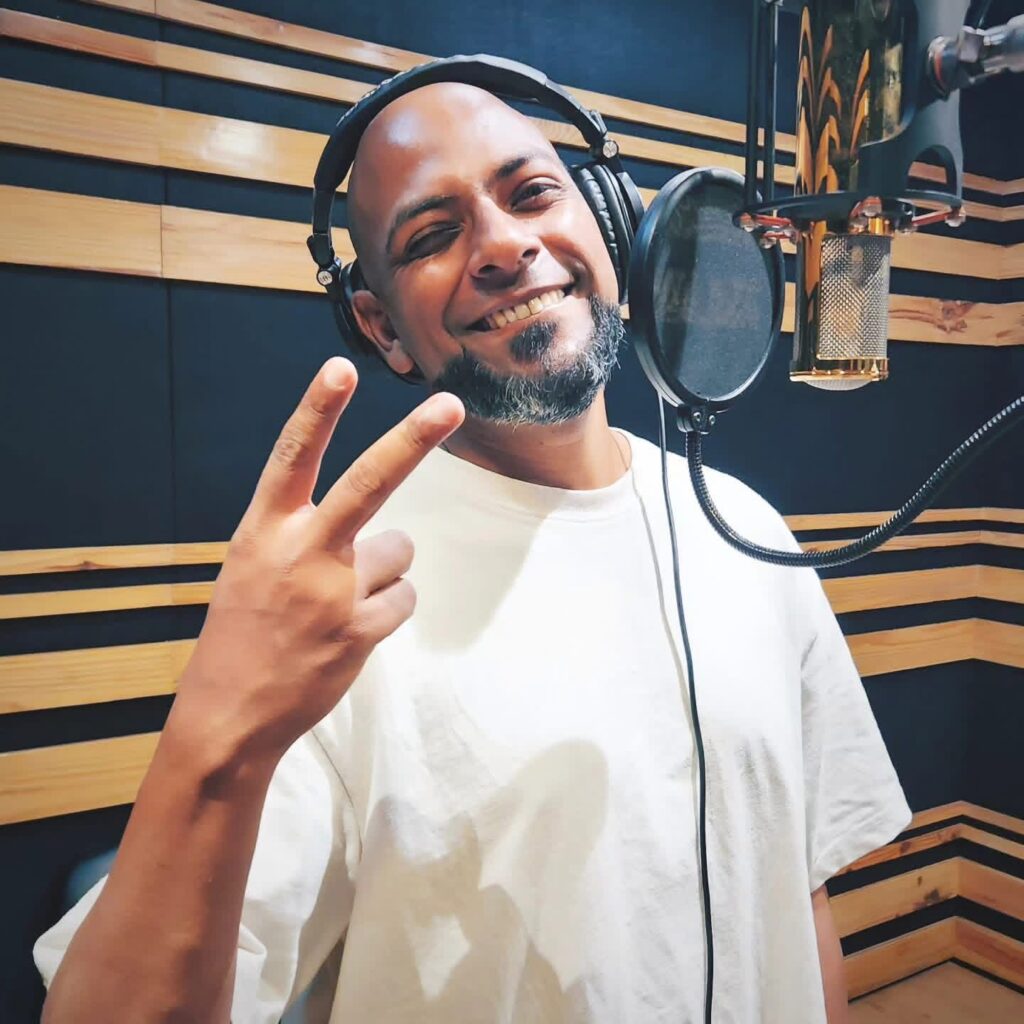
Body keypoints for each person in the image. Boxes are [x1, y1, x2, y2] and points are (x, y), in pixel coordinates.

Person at [34, 78, 910, 1024]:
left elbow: (798, 897)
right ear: (382, 328)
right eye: (431, 237)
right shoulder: (340, 604)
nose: (502, 245)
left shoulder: (747, 529)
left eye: (532, 193)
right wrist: (216, 734)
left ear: (610, 228)